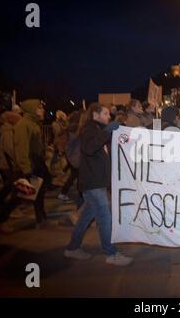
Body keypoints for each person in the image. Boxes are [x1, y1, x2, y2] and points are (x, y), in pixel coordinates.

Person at [64, 102, 133, 266]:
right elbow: (89, 148)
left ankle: (72, 248)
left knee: (85, 218)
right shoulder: (89, 130)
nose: (109, 117)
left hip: (95, 182)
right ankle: (111, 253)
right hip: (92, 183)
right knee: (104, 217)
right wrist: (107, 131)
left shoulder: (97, 130)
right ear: (95, 115)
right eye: (105, 114)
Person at [14, 99, 53, 228]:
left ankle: (41, 217)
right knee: (30, 192)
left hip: (37, 162)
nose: (43, 110)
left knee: (39, 191)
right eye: (40, 107)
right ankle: (40, 219)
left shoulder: (33, 124)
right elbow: (22, 147)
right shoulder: (23, 124)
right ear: (32, 109)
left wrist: (44, 151)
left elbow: (35, 145)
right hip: (32, 163)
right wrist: (25, 167)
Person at [0, 110, 22, 233]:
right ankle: (2, 218)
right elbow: (10, 150)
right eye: (17, 118)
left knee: (10, 187)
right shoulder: (8, 132)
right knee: (17, 190)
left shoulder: (8, 131)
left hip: (9, 166)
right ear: (12, 120)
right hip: (10, 166)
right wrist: (19, 161)